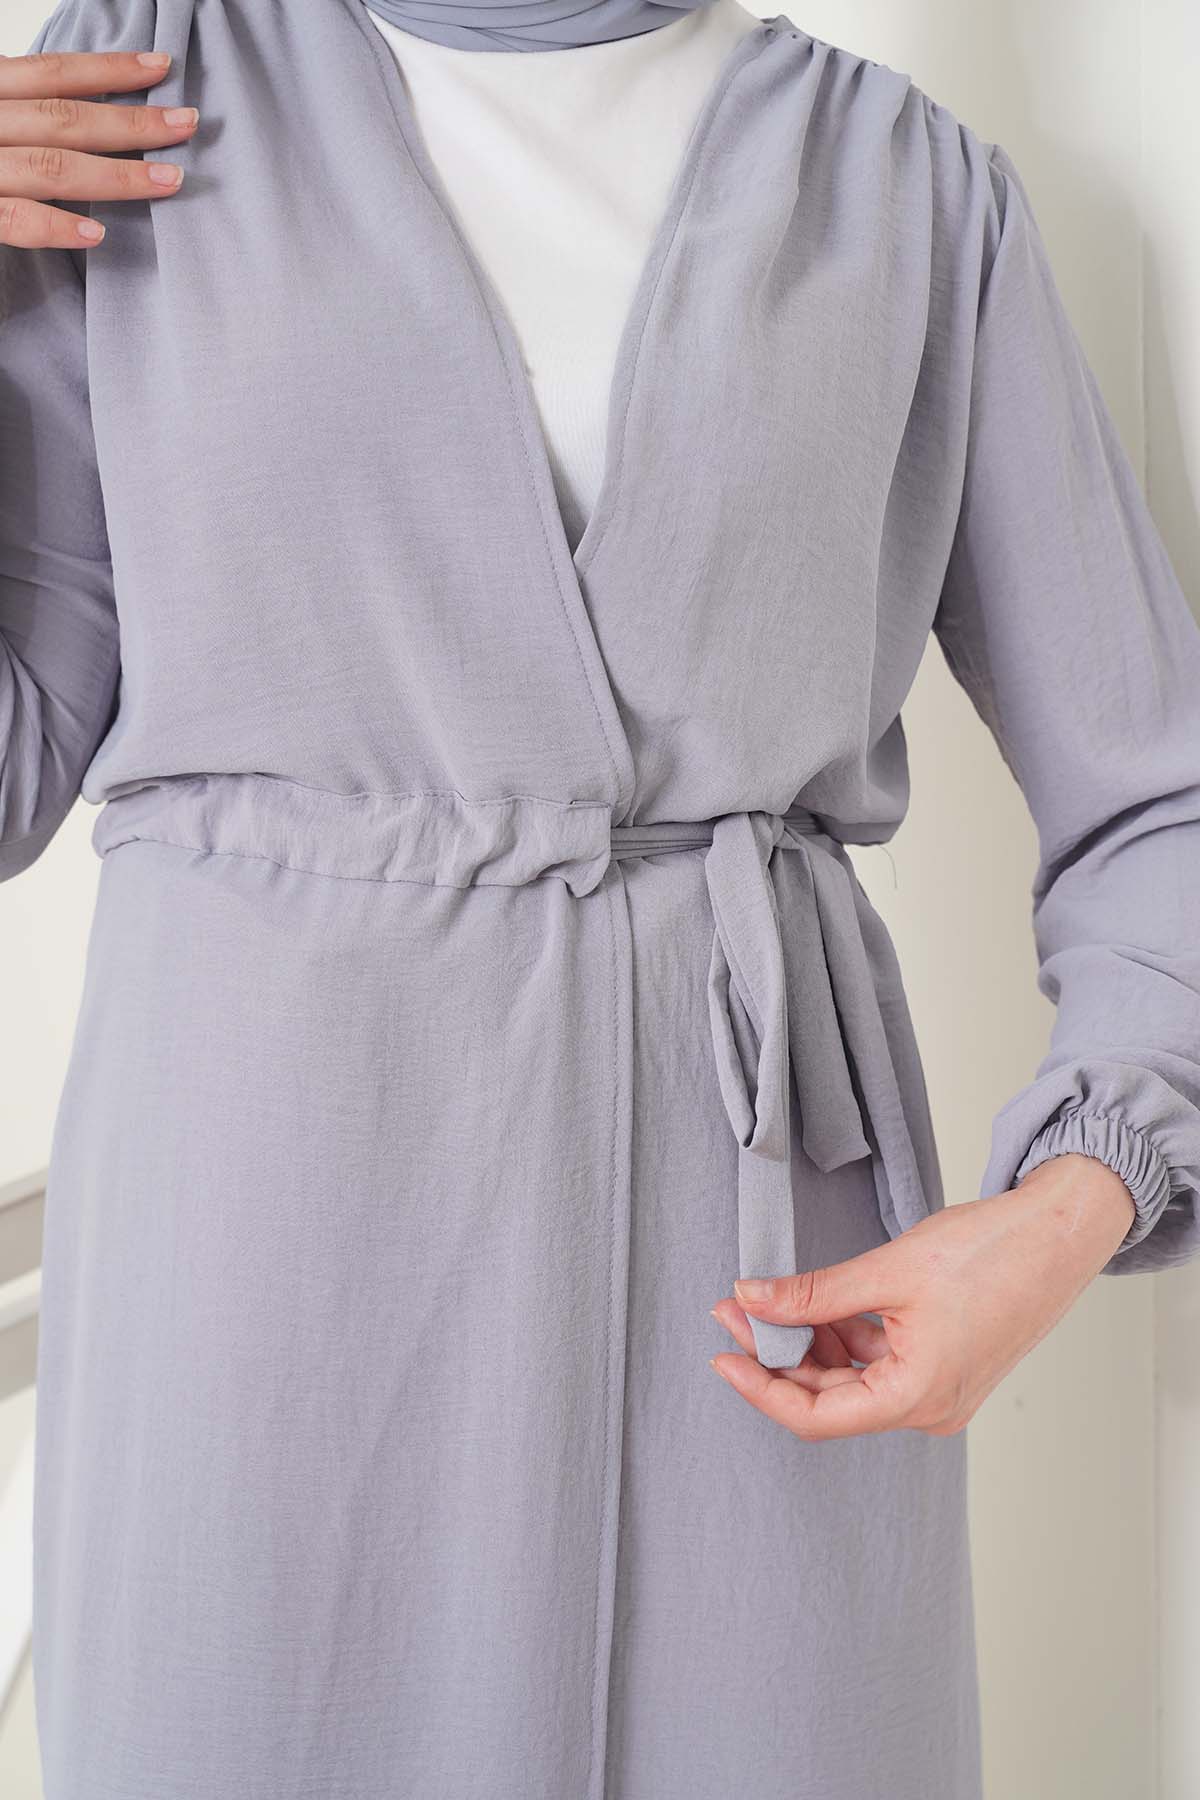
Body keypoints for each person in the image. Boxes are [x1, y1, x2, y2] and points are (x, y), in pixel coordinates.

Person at [2, 2, 1197, 1796]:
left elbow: (1160, 794)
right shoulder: (141, 82)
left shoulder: (907, 190)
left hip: (765, 1320)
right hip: (260, 1307)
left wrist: (1066, 1210)